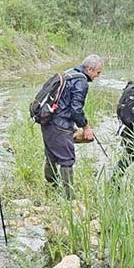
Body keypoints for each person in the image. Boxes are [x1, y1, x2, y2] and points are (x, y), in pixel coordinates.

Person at [41, 55, 102, 198]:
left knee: (51, 155)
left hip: (47, 120)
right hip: (59, 125)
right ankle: (70, 198)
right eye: (98, 72)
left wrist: (72, 124)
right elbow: (76, 109)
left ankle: (51, 190)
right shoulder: (81, 82)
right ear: (90, 69)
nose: (98, 76)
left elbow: (64, 102)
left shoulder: (69, 73)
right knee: (66, 160)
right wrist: (86, 127)